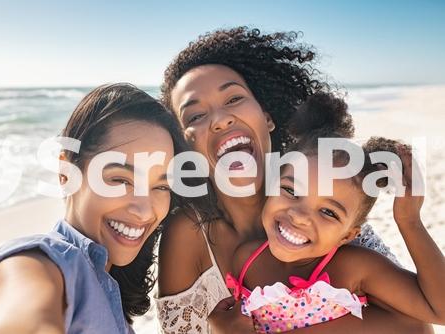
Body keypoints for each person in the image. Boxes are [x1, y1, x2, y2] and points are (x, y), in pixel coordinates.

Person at [156, 27, 430, 333]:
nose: (220, 119)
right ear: (184, 147)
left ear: (267, 116)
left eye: (233, 98)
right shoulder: (188, 235)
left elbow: (418, 325)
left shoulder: (328, 204)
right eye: (194, 116)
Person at [0, 83, 199, 334]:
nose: (145, 211)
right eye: (120, 180)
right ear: (66, 172)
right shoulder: (37, 263)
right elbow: (28, 315)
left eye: (161, 186)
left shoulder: (107, 285)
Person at [225, 93, 445, 333]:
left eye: (328, 212)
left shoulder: (354, 267)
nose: (299, 216)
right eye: (290, 190)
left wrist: (409, 221)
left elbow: (439, 311)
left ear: (348, 235)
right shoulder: (245, 259)